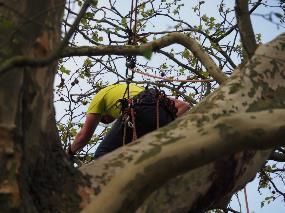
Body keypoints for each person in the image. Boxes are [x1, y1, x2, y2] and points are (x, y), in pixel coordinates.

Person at [67, 83, 190, 160]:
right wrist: (167, 125)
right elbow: (183, 106)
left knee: (102, 155)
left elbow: (84, 136)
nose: (108, 120)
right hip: (162, 113)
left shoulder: (100, 95)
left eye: (103, 119)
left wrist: (69, 153)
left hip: (138, 110)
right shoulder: (149, 95)